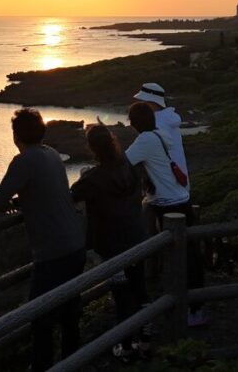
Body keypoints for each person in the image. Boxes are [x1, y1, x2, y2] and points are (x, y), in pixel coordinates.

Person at [0, 108, 86, 370]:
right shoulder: (52, 154)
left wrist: (15, 202)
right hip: (75, 243)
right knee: (69, 314)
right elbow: (45, 190)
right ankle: (71, 362)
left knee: (39, 317)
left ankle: (43, 366)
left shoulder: (24, 161)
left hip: (53, 252)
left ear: (15, 135)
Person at [124, 99, 209, 327]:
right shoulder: (161, 134)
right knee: (189, 254)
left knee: (182, 256)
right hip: (181, 198)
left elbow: (123, 162)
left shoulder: (145, 140)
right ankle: (195, 307)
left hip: (168, 204)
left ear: (135, 122)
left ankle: (191, 309)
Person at [70, 125, 149, 361]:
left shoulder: (92, 179)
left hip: (112, 247)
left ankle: (125, 347)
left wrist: (84, 175)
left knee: (121, 293)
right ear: (113, 142)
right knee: (140, 288)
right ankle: (145, 342)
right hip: (136, 238)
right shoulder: (130, 167)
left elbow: (73, 194)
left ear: (92, 149)